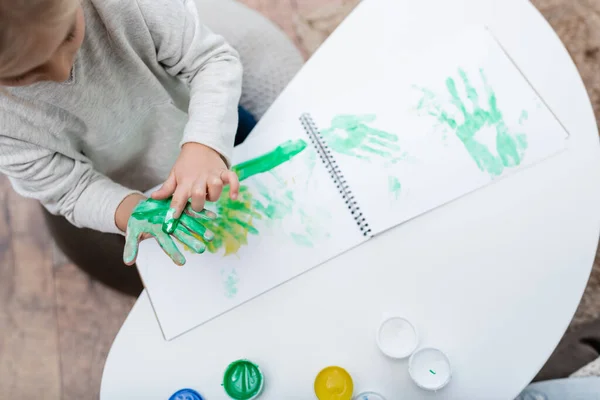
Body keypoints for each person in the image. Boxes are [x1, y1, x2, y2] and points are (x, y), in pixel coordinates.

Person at [0, 0, 303, 295]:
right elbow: (68, 189)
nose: (61, 71)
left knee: (292, 192)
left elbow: (210, 60)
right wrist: (131, 212)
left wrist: (205, 143)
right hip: (140, 186)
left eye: (68, 35)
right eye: (21, 75)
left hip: (206, 124)